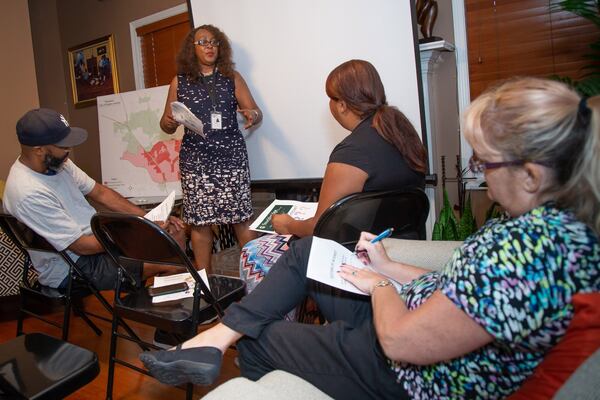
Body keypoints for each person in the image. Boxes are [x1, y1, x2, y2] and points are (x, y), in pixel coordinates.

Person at [140, 77, 599, 398]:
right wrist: (389, 268)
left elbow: (403, 342)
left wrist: (378, 285)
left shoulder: (527, 252)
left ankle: (231, 340)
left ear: (532, 175)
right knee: (306, 253)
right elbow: (465, 287)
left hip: (411, 369)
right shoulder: (551, 227)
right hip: (417, 309)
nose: (477, 175)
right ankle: (217, 337)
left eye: (484, 164)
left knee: (259, 340)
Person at [241, 59, 427, 294]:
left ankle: (271, 328)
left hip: (355, 255)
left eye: (331, 98)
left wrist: (287, 223)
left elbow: (321, 228)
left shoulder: (352, 152)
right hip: (399, 248)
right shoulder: (404, 136)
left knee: (255, 250)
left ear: (341, 105)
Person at [3, 108, 186, 292]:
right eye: (63, 145)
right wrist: (139, 233)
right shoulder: (27, 193)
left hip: (97, 242)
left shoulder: (58, 163)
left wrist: (148, 219)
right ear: (39, 150)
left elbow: (100, 193)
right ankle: (169, 312)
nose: (69, 150)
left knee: (174, 234)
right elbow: (82, 247)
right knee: (174, 265)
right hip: (75, 266)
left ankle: (163, 309)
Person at [160, 25, 262, 274]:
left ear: (221, 48)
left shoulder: (232, 78)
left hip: (231, 159)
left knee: (241, 218)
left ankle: (257, 277)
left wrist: (252, 115)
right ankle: (203, 282)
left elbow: (256, 112)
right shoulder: (179, 82)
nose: (209, 46)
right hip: (196, 162)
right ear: (191, 49)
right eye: (203, 42)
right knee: (199, 223)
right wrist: (170, 122)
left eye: (214, 42)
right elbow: (165, 123)